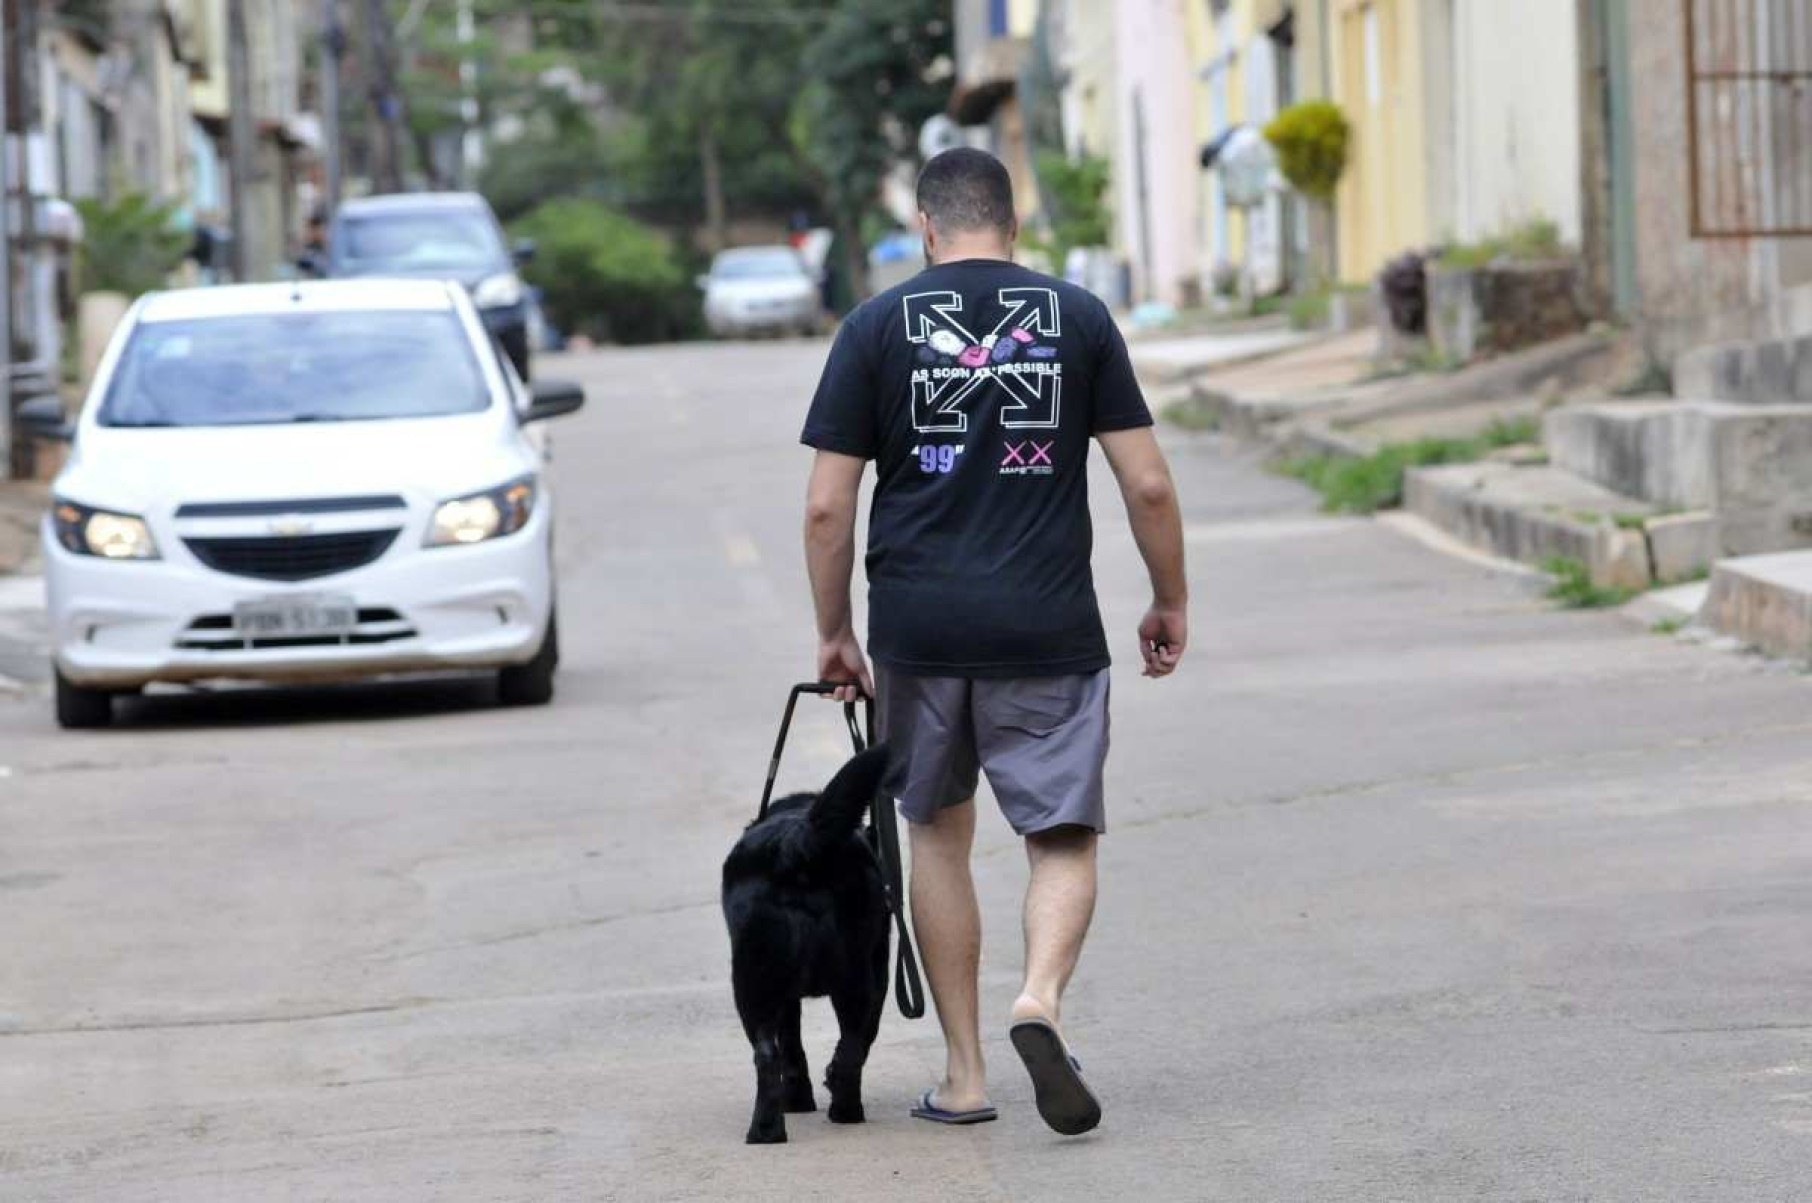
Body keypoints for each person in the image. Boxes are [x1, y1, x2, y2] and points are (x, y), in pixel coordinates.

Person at [799, 148, 1187, 1136]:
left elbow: (826, 507)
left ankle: (966, 1076)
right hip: (1048, 625)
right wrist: (1168, 597)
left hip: (919, 632)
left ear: (927, 229)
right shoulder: (1080, 318)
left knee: (937, 831)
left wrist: (836, 633)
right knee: (1058, 833)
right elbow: (1146, 483)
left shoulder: (875, 327)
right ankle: (1041, 1001)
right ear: (1014, 227)